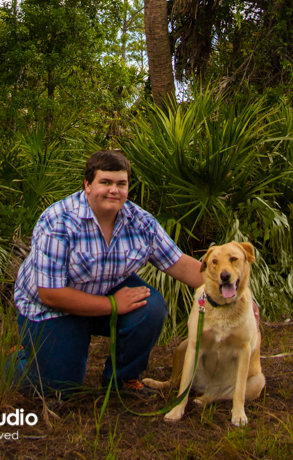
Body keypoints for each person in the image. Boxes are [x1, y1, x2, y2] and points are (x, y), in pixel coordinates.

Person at [14, 149, 203, 399]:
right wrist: (113, 304)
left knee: (150, 307)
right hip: (51, 308)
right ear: (88, 185)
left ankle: (122, 379)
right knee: (56, 389)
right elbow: (50, 294)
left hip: (103, 293)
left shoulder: (141, 222)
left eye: (121, 184)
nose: (114, 190)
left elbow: (182, 265)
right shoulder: (59, 221)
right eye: (105, 182)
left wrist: (239, 296)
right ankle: (15, 359)